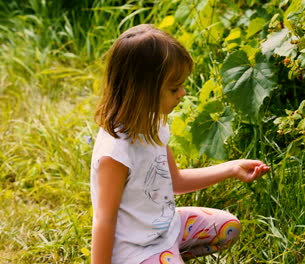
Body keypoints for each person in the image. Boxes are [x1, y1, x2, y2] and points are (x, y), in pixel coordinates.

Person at [90, 24, 270, 264]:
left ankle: (169, 256)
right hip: (135, 250)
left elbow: (176, 181)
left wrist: (231, 168)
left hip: (167, 229)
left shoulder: (154, 124)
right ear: (143, 91)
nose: (183, 93)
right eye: (174, 88)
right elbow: (104, 220)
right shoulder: (116, 153)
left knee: (229, 228)